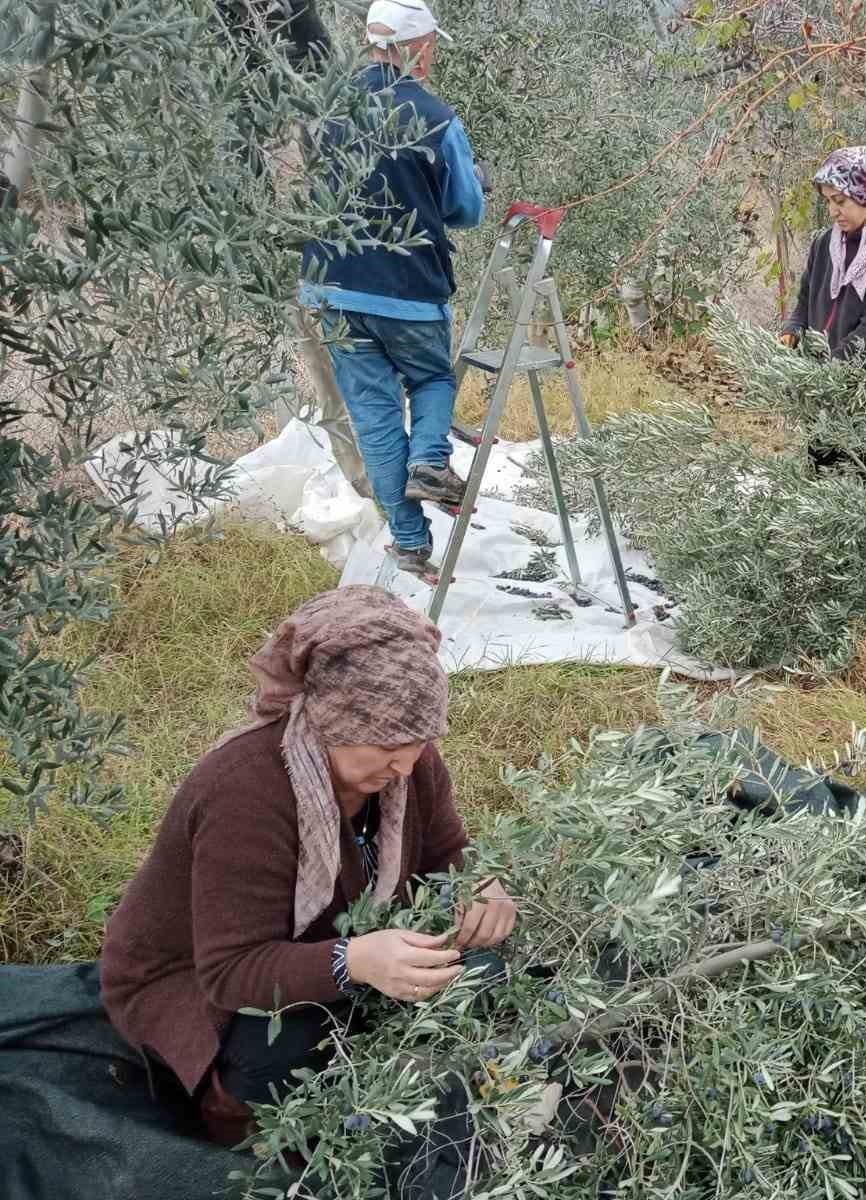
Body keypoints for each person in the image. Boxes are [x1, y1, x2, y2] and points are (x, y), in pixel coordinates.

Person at [101, 587, 517, 1147]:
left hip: (337, 941)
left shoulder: (410, 763)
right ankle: (234, 1123)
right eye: (384, 743)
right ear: (328, 721)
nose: (405, 763)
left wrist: (482, 883)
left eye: (420, 740)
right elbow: (229, 973)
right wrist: (356, 961)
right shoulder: (245, 793)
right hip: (197, 984)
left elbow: (447, 852)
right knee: (291, 1038)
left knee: (484, 971)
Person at [299, 0, 485, 577]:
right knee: (431, 376)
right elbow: (466, 210)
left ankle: (408, 542)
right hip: (407, 288)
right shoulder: (436, 117)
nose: (430, 54)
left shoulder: (327, 108)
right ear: (413, 46)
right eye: (429, 44)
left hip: (331, 288)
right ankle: (430, 459)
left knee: (374, 414)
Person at [781, 145, 866, 467]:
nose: (832, 211)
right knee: (821, 493)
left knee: (865, 503)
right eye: (829, 201)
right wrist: (792, 330)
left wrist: (828, 372)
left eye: (840, 201)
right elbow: (806, 298)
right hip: (826, 400)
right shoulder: (825, 244)